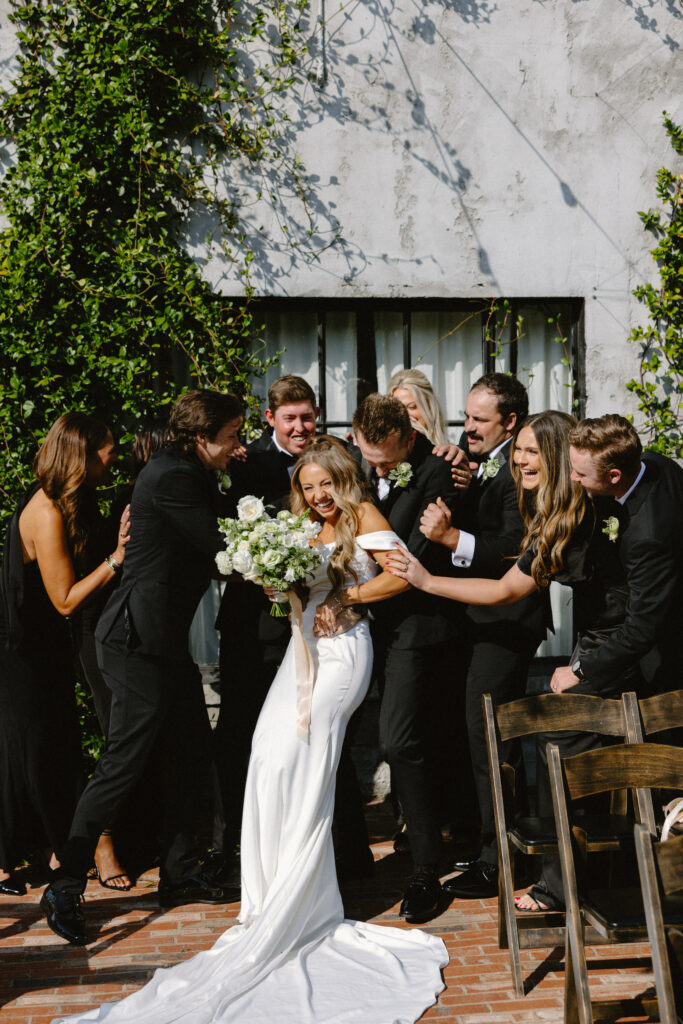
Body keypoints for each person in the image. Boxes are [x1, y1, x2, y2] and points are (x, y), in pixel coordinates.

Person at [51, 435, 448, 1024]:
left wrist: (351, 596)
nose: (318, 495)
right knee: (267, 755)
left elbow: (402, 575)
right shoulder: (300, 522)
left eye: (325, 483)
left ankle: (306, 901)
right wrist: (276, 583)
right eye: (308, 486)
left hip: (343, 653)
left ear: (342, 478)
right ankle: (270, 892)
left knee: (307, 762)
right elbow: (293, 583)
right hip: (302, 646)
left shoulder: (363, 513)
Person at [386, 409, 639, 912]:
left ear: (558, 458)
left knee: (562, 743)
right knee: (565, 744)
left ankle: (560, 881)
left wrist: (585, 664)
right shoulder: (558, 514)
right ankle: (573, 871)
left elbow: (508, 589)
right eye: (518, 449)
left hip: (624, 639)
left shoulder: (588, 510)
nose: (520, 459)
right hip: (600, 637)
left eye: (531, 451)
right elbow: (506, 585)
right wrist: (427, 580)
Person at [41, 390, 244, 946]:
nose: (237, 445)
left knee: (191, 752)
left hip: (163, 642)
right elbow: (220, 544)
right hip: (135, 642)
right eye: (230, 435)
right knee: (122, 762)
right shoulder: (173, 476)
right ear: (201, 436)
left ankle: (178, 876)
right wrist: (282, 560)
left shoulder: (188, 469)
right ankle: (65, 883)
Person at [415, 373, 547, 900]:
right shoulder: (483, 460)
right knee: (473, 734)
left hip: (507, 622)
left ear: (509, 422)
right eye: (466, 417)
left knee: (490, 737)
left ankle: (502, 862)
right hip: (474, 621)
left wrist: (452, 537)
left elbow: (513, 549)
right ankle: (487, 840)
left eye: (479, 420)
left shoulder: (524, 469)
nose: (467, 428)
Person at [338, 393, 463, 923]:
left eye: (388, 461)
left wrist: (345, 596)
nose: (379, 469)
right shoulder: (353, 464)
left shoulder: (440, 473)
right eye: (371, 459)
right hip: (359, 630)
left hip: (412, 627)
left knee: (398, 740)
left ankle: (426, 868)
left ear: (410, 439)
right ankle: (345, 854)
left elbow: (410, 563)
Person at [0, 413, 130, 897]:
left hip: (47, 644)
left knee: (54, 746)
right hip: (20, 647)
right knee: (29, 751)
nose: (114, 456)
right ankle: (18, 857)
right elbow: (65, 600)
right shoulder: (47, 511)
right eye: (108, 449)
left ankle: (56, 848)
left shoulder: (73, 499)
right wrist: (117, 558)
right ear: (83, 454)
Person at [211, 375, 319, 875]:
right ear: (270, 418)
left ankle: (304, 842)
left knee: (303, 730)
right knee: (239, 730)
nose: (300, 427)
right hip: (249, 627)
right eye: (290, 418)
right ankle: (229, 844)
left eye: (307, 417)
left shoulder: (330, 458)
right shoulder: (242, 462)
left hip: (310, 622)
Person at [71, 417, 169, 889]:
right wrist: (117, 556)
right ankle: (101, 843)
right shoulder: (124, 503)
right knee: (118, 736)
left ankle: (138, 838)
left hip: (133, 631)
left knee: (141, 737)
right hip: (100, 629)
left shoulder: (107, 499)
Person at [389, 366, 450, 446]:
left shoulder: (450, 451)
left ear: (429, 406)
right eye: (397, 408)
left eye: (412, 407)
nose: (404, 414)